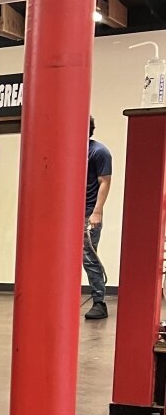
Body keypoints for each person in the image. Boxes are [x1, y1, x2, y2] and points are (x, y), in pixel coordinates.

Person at [84, 115, 113, 320]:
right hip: (67, 214)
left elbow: (104, 182)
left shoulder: (98, 152)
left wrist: (97, 212)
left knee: (89, 258)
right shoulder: (68, 151)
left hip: (88, 214)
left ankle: (99, 301)